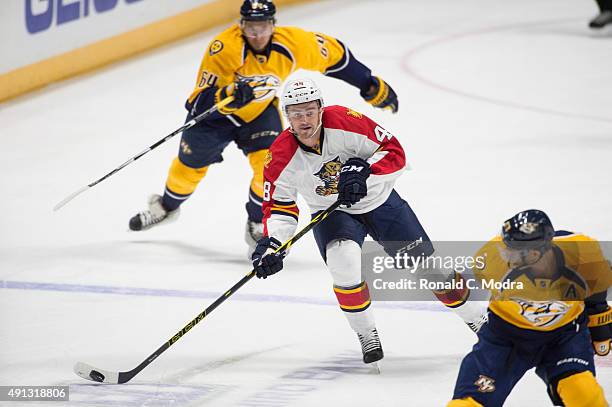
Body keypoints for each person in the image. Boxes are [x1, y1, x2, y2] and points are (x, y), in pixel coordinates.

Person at [128, 0, 399, 258]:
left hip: (259, 114)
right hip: (215, 120)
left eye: (263, 27)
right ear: (241, 25)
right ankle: (166, 207)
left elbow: (335, 55)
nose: (257, 34)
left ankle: (257, 222)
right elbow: (197, 102)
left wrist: (367, 82)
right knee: (187, 170)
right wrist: (228, 93)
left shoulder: (293, 43)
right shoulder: (223, 48)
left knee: (268, 169)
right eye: (250, 27)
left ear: (273, 24)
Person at [250, 78, 433, 365]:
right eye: (296, 113)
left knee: (427, 269)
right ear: (287, 115)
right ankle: (366, 333)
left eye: (310, 111)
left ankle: (477, 319)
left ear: (321, 108)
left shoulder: (346, 121)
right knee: (342, 263)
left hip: (379, 202)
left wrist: (365, 171)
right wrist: (274, 244)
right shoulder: (279, 156)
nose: (304, 120)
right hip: (331, 212)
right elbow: (280, 207)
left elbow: (395, 152)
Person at [444, 210, 611, 407]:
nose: (506, 255)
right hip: (505, 340)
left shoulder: (583, 252)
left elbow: (597, 283)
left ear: (536, 252)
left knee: (585, 394)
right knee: (468, 404)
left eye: (514, 250)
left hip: (564, 338)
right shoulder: (491, 261)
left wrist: (600, 321)